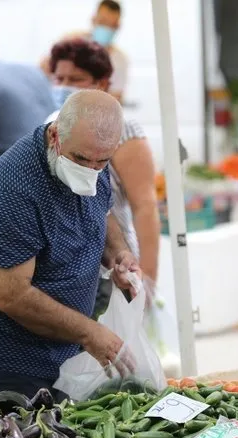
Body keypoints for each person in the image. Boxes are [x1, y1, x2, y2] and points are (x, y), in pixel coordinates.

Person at [0, 90, 140, 403]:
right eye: (80, 159)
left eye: (101, 162)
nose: (90, 169)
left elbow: (101, 210)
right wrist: (88, 333)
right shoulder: (14, 191)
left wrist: (119, 255)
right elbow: (10, 294)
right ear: (54, 135)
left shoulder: (93, 156)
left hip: (58, 348)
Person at [45, 38, 160, 317]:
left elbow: (145, 207)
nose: (64, 86)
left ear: (102, 84)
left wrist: (148, 279)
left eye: (76, 79)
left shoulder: (124, 131)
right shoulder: (53, 125)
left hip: (112, 269)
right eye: (59, 78)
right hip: (65, 269)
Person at [41, 0, 128, 101]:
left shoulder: (120, 60)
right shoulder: (70, 41)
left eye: (111, 24)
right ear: (93, 19)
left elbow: (116, 97)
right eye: (102, 22)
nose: (106, 27)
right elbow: (44, 69)